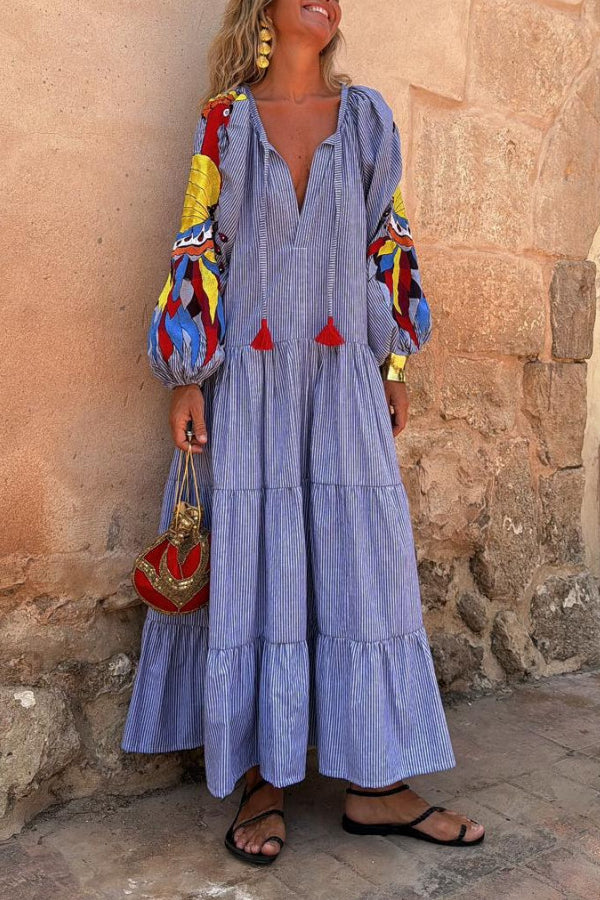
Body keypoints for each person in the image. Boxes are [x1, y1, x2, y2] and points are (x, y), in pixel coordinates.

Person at [121, 0, 486, 865]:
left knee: (366, 560)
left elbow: (387, 243)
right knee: (258, 559)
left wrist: (395, 365)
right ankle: (262, 779)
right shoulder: (226, 125)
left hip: (345, 377)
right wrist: (185, 376)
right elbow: (198, 248)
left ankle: (376, 785)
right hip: (248, 382)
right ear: (264, 7)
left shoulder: (366, 119)